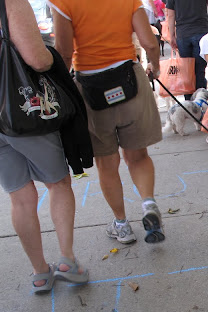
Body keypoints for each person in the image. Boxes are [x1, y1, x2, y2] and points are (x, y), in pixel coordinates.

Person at [0, 0, 89, 294]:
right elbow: (37, 59)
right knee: (58, 183)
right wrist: (53, 58)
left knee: (21, 198)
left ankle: (40, 273)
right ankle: (67, 261)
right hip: (20, 112)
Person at [51, 0, 166, 244]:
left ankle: (122, 226)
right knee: (138, 156)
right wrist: (154, 66)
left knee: (107, 163)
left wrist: (63, 88)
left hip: (91, 88)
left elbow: (63, 52)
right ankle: (149, 205)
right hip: (130, 79)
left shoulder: (62, 2)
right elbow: (149, 42)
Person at [166, 0, 208, 99]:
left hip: (183, 34)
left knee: (186, 72)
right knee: (200, 70)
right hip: (201, 32)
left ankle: (188, 103)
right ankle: (200, 102)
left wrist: (172, 35)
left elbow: (171, 15)